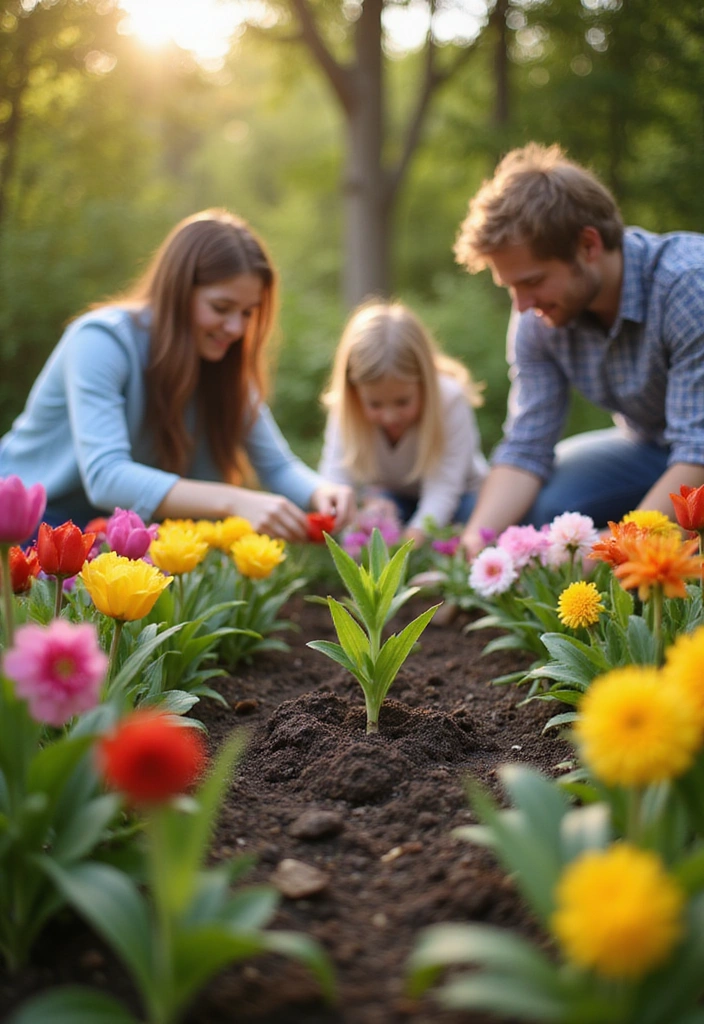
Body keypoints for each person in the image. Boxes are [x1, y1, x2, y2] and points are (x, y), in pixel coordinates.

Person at [0, 209, 355, 542]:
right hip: (27, 524)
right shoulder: (101, 341)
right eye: (221, 307)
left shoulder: (222, 365)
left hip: (118, 534)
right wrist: (234, 501)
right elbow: (106, 476)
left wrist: (322, 492)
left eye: (248, 313)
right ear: (177, 292)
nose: (236, 328)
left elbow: (276, 466)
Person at [453, 143, 704, 556]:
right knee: (546, 507)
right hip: (649, 447)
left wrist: (608, 553)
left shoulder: (688, 288)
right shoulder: (540, 315)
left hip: (695, 454)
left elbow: (698, 452)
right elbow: (526, 447)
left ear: (588, 245)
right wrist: (472, 552)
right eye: (511, 287)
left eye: (532, 281)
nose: (522, 305)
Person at [318, 300, 488, 545]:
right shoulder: (347, 408)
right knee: (375, 516)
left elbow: (444, 489)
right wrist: (347, 526)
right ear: (354, 392)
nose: (389, 417)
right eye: (375, 405)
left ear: (424, 382)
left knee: (468, 522)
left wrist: (409, 545)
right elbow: (336, 477)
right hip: (393, 498)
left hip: (460, 499)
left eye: (402, 402)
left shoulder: (449, 399)